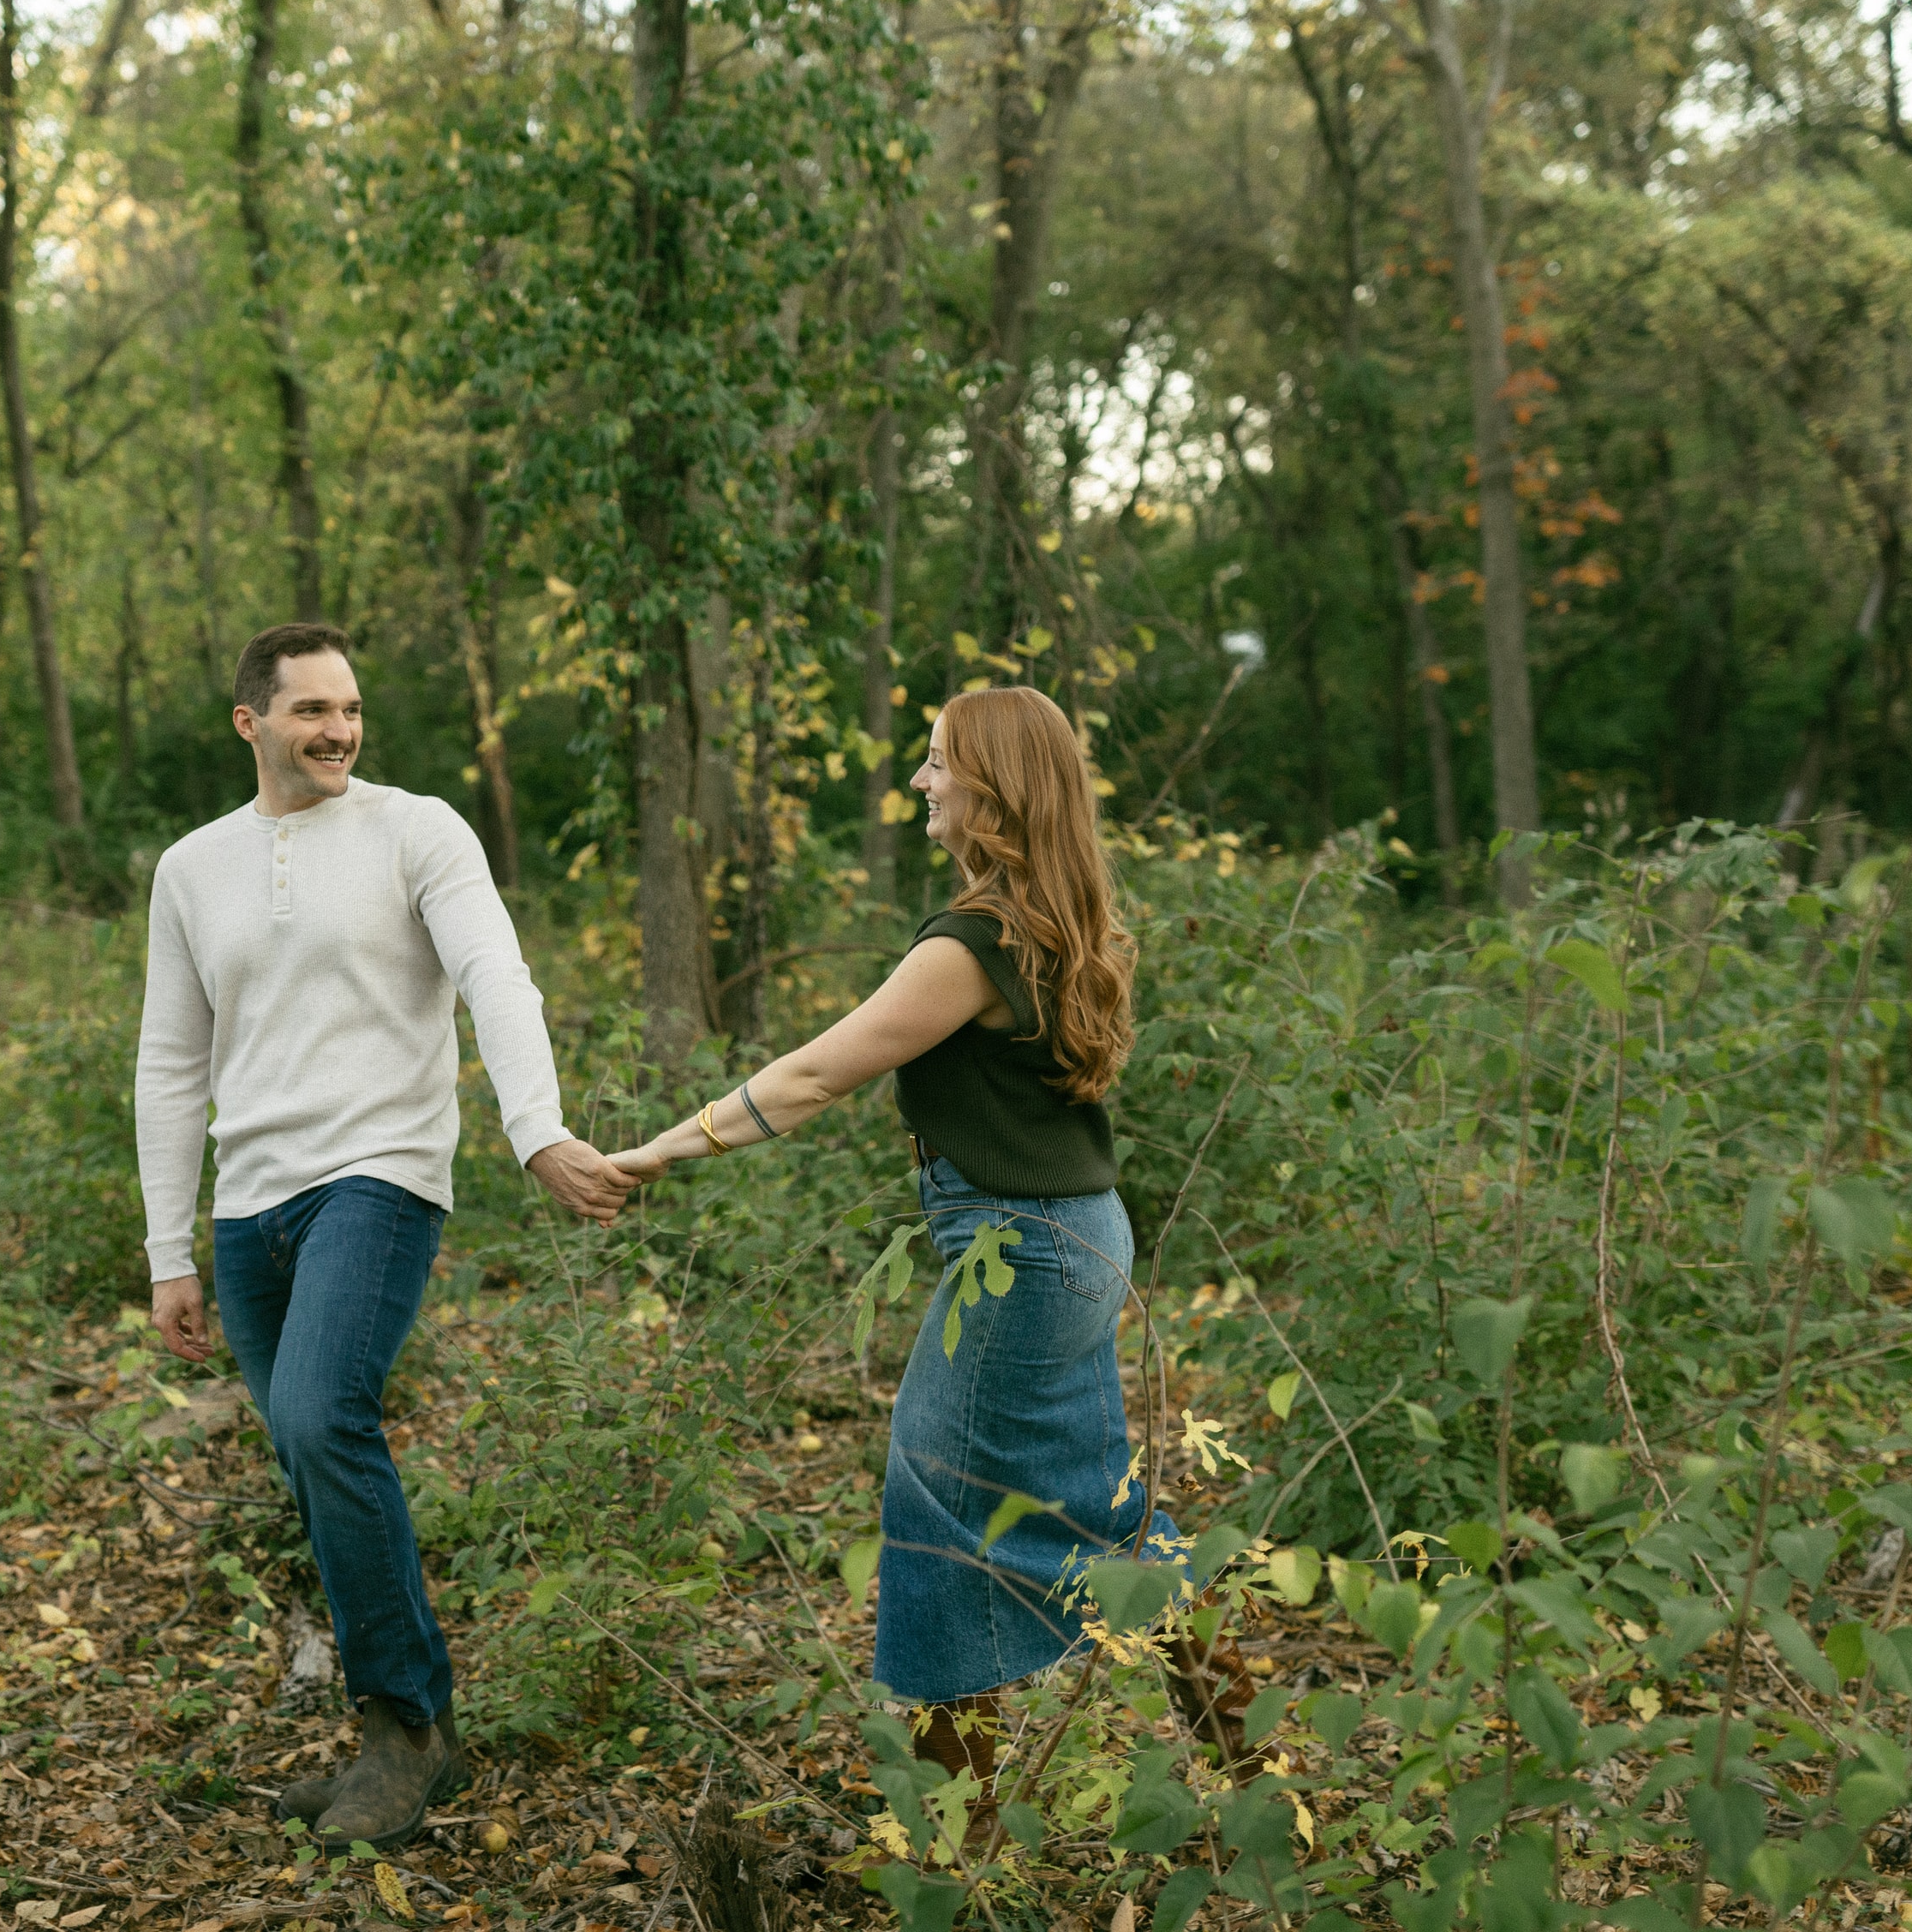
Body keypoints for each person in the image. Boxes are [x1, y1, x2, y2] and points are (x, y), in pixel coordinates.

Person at [611, 686, 1168, 1783]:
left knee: (935, 1502)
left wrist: (661, 1149)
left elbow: (818, 1073)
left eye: (937, 761)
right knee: (1100, 1502)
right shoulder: (1055, 918)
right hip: (1081, 1239)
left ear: (994, 787)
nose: (921, 780)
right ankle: (1235, 1737)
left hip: (1024, 1252)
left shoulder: (973, 943)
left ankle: (950, 1818)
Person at [136, 622, 634, 1848]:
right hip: (249, 1205)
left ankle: (402, 1730)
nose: (340, 730)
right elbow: (170, 1059)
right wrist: (168, 1251)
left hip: (379, 1175)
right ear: (251, 721)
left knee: (321, 1416)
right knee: (309, 1454)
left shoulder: (419, 831)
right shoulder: (193, 867)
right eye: (312, 709)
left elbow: (497, 977)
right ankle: (415, 1720)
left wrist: (536, 1128)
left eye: (351, 708)